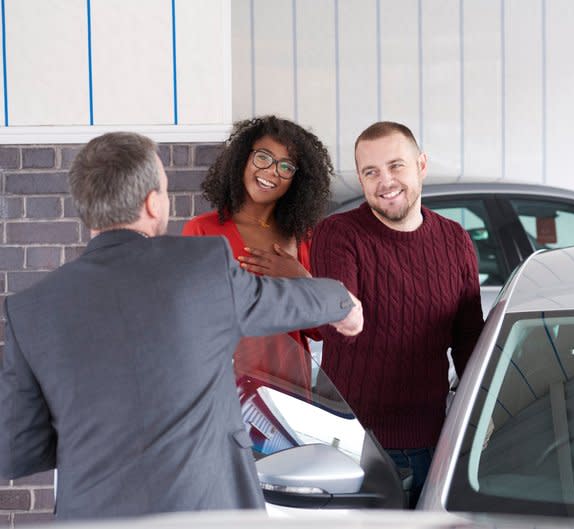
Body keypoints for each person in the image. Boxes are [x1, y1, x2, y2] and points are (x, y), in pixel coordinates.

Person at [0, 131, 363, 520]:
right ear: (152, 203)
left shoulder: (31, 310)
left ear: (85, 208)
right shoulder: (202, 267)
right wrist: (344, 304)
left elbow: (16, 449)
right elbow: (282, 301)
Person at [310, 121, 484, 508]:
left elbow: (470, 340)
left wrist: (482, 416)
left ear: (421, 165)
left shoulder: (455, 240)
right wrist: (342, 309)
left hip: (431, 442)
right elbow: (335, 316)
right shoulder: (338, 234)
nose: (385, 181)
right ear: (360, 178)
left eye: (396, 166)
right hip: (353, 444)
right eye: (370, 172)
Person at [182, 116, 331, 390]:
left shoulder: (303, 239)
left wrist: (301, 278)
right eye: (263, 157)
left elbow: (320, 330)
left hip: (291, 392)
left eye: (286, 166)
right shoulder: (202, 230)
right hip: (227, 389)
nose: (272, 171)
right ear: (242, 159)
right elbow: (191, 323)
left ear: (297, 180)